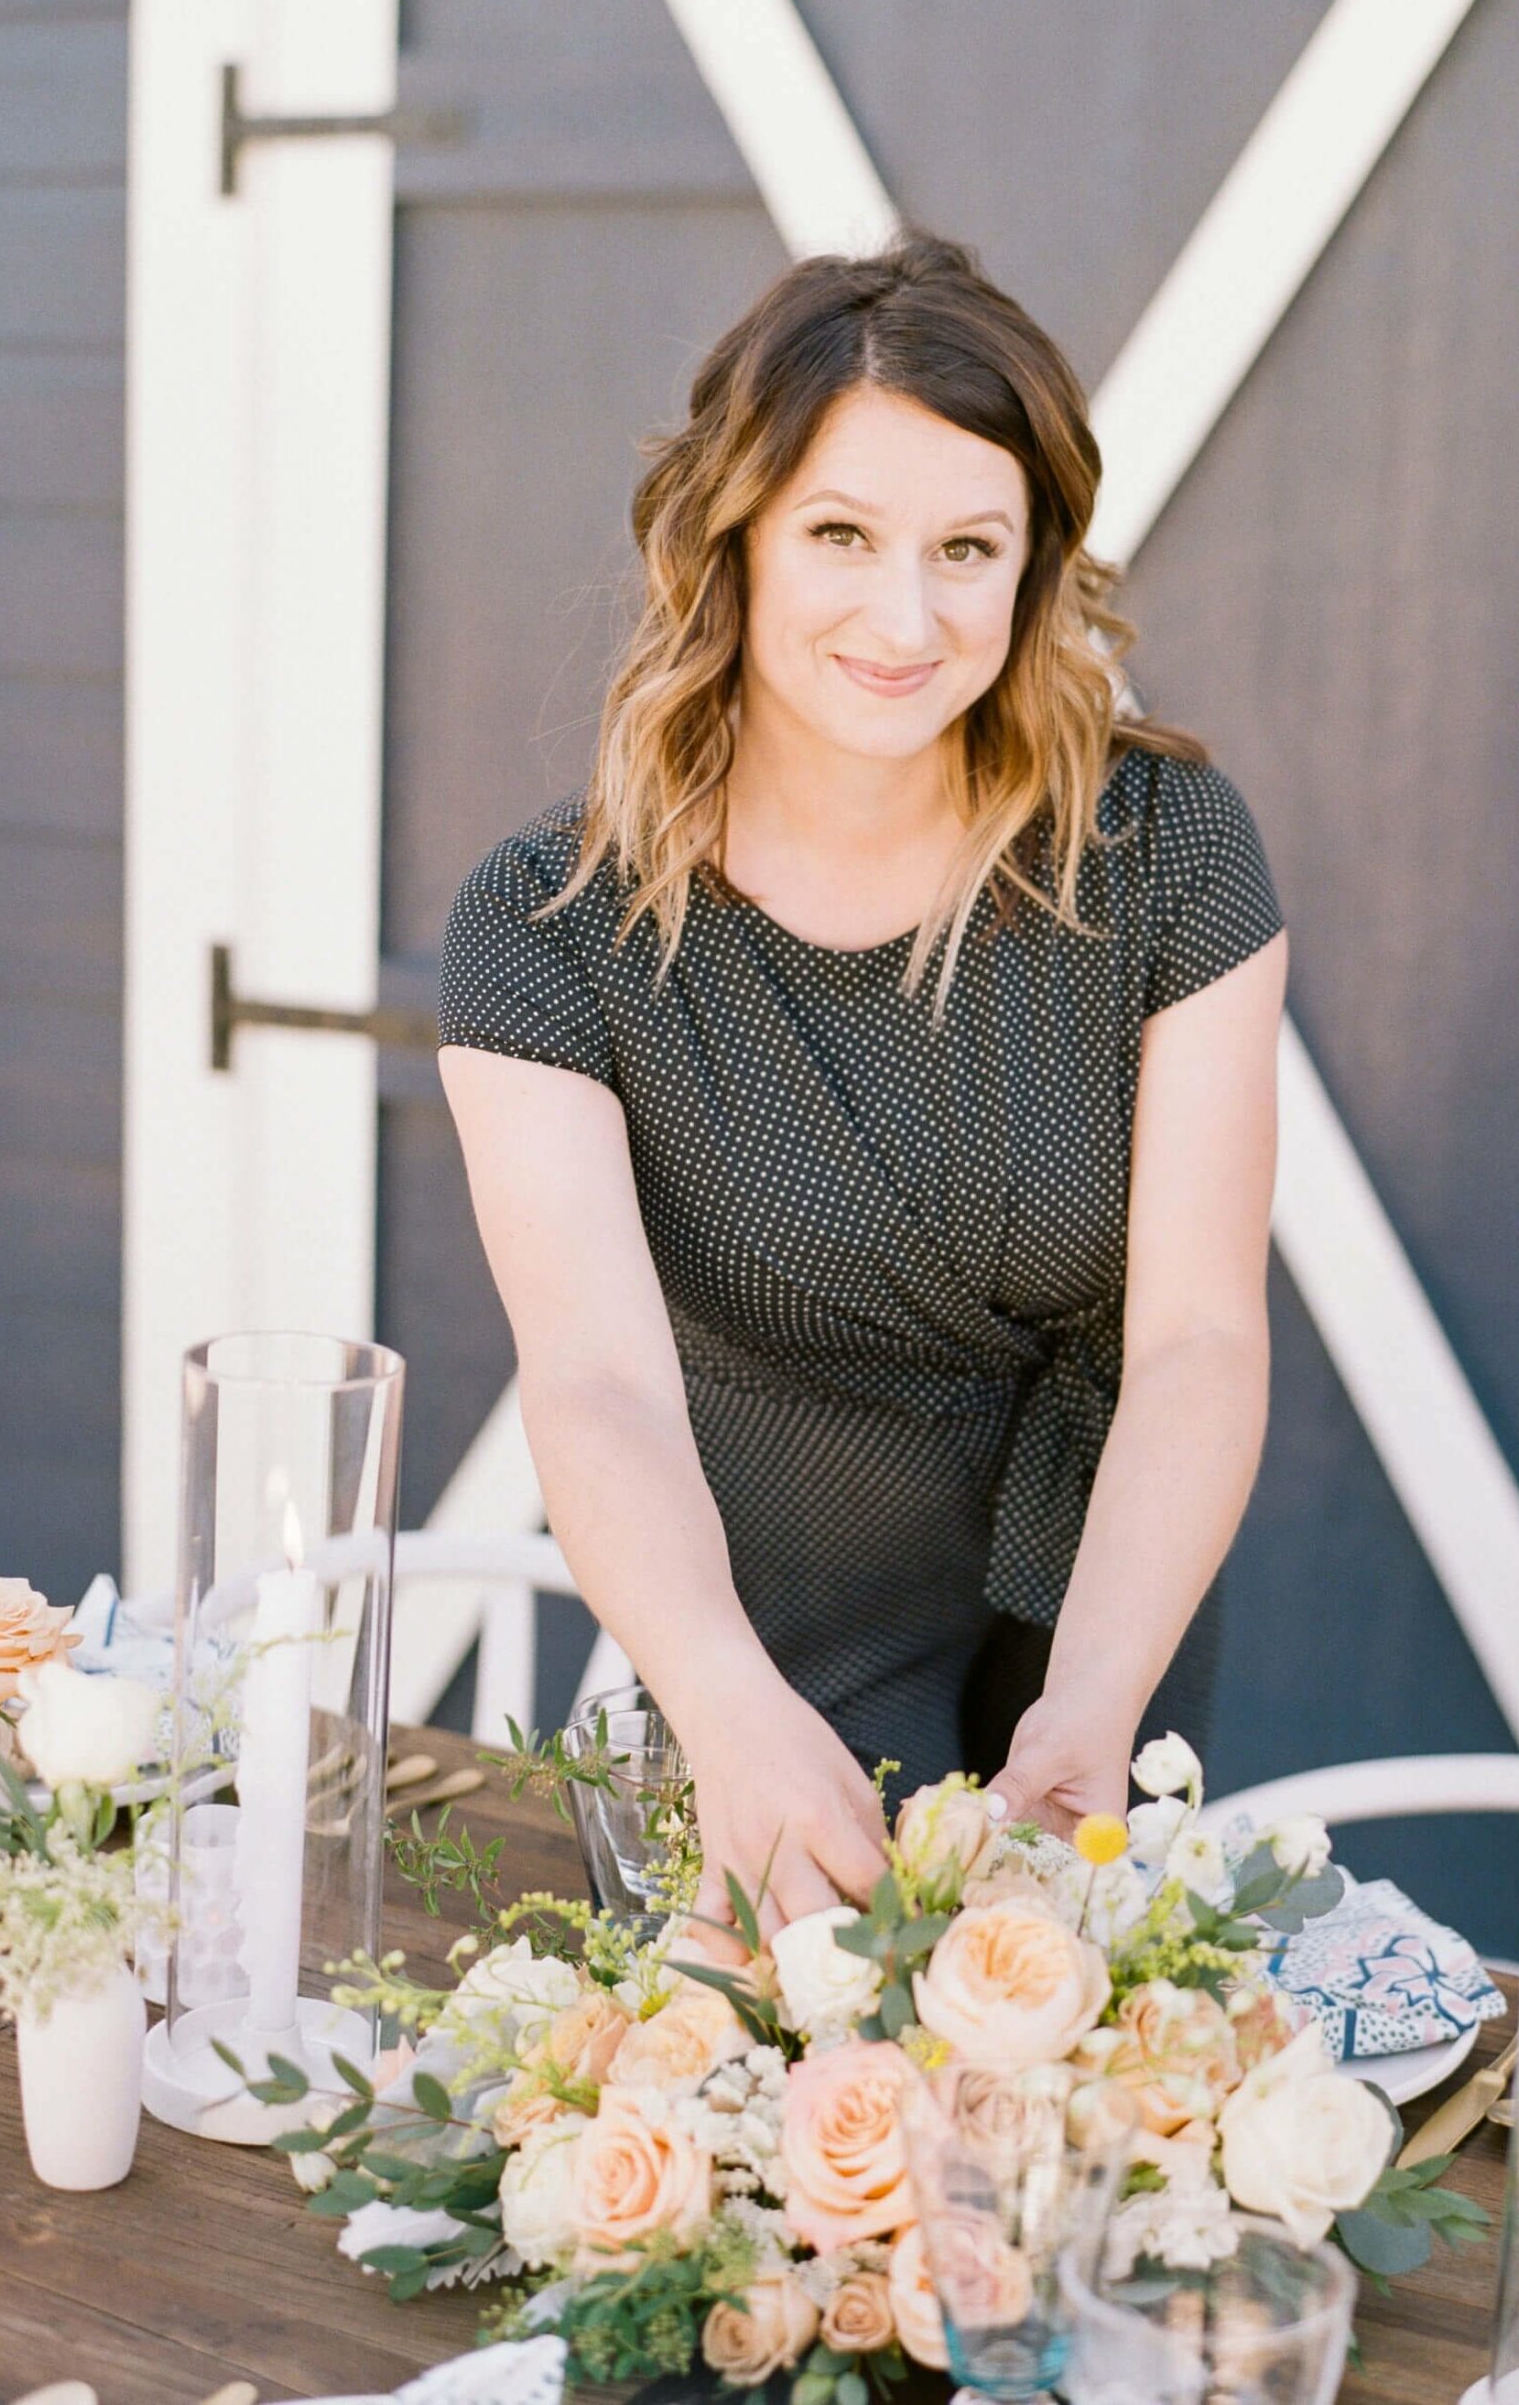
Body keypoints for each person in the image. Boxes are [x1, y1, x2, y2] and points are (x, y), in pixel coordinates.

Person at [435, 230, 1287, 1946]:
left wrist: (1097, 1709)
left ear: (1034, 563)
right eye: (841, 536)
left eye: (968, 547)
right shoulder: (547, 930)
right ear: (732, 540)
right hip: (759, 1665)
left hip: (1101, 1629)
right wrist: (733, 1716)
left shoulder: (1168, 857)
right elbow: (595, 1382)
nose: (906, 620)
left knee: (1070, 2149)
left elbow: (1199, 1331)